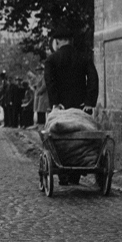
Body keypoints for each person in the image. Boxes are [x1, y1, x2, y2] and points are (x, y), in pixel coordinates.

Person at [44, 28, 98, 186]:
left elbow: (50, 82)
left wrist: (55, 102)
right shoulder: (83, 57)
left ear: (58, 41)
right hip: (80, 107)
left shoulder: (52, 59)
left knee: (59, 136)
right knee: (79, 137)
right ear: (71, 40)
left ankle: (62, 173)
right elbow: (93, 79)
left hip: (61, 107)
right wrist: (89, 102)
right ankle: (76, 174)